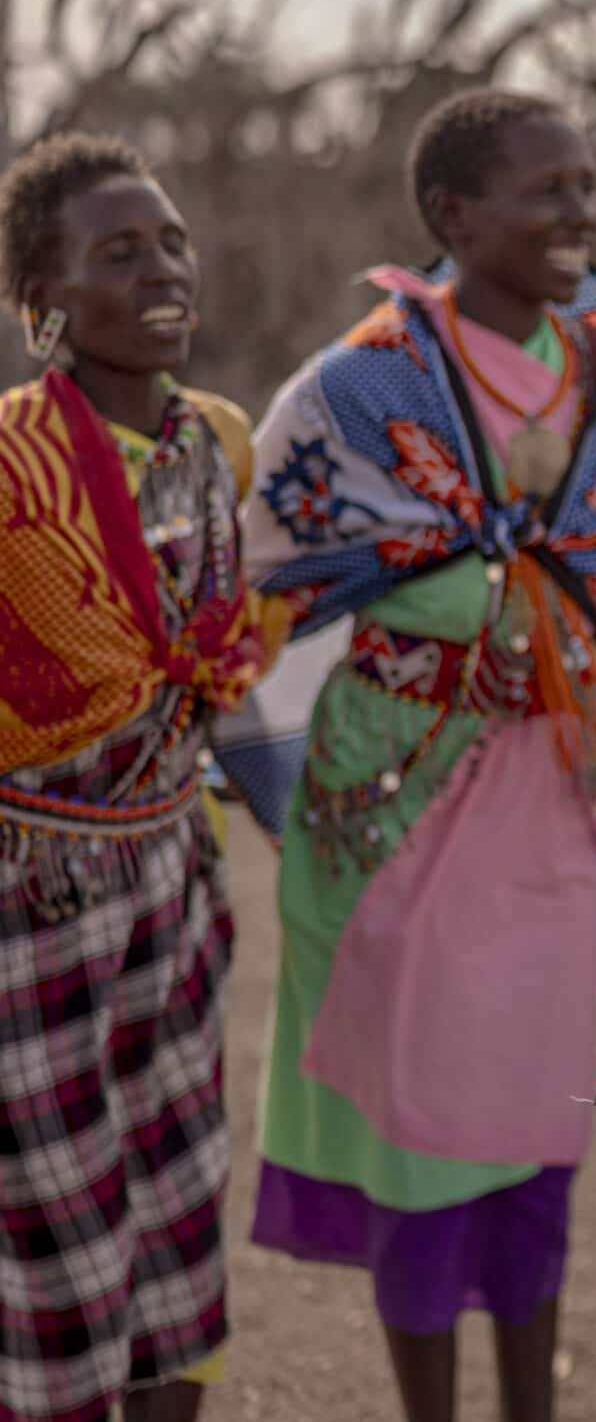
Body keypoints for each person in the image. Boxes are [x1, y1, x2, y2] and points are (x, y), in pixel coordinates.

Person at [239, 89, 596, 1422]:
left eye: (587, 188)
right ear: (450, 215)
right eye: (545, 190)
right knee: (421, 1125)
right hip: (396, 793)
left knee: (537, 1111)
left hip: (543, 785)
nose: (577, 215)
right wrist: (477, 607)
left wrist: (536, 603)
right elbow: (261, 583)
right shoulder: (357, 387)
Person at [0, 134, 284, 1422]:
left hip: (177, 873)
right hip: (34, 903)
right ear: (41, 303)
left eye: (171, 241)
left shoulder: (214, 444)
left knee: (178, 1205)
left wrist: (296, 828)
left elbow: (221, 676)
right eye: (119, 251)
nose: (164, 267)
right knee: (57, 1239)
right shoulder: (12, 467)